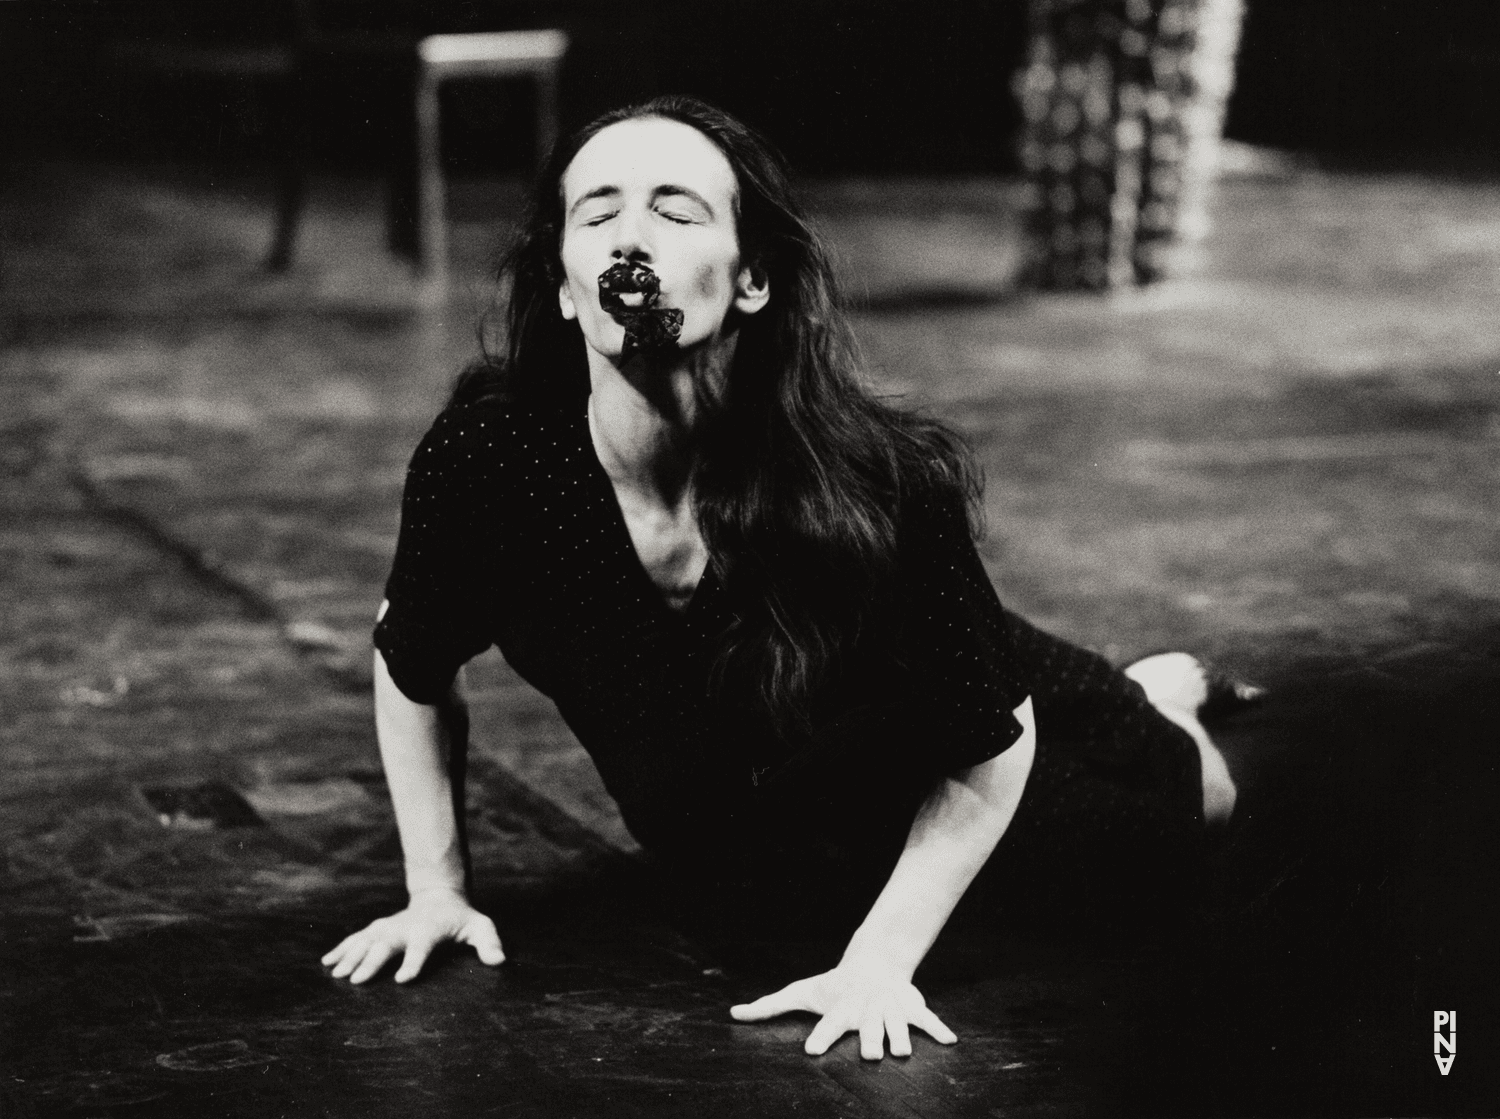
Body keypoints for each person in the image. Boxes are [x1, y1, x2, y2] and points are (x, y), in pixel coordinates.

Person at [321, 96, 1246, 1061]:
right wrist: (437, 888)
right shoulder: (489, 464)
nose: (629, 235)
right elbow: (410, 654)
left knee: (1200, 801)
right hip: (781, 831)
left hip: (939, 747)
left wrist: (882, 960)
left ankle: (1160, 701)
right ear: (563, 286)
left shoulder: (879, 483)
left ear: (753, 278)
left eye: (675, 212)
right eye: (596, 214)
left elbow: (992, 743)